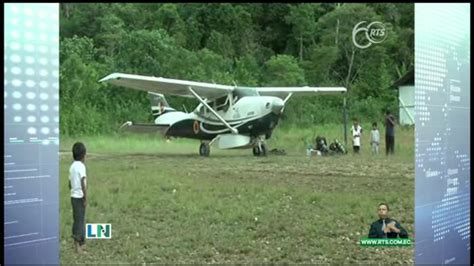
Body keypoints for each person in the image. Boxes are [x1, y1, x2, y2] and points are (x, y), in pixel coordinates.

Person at [69, 142, 88, 253]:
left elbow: (69, 183)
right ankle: (78, 247)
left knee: (78, 219)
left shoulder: (72, 167)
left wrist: (73, 190)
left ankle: (82, 243)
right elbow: (83, 182)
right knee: (79, 222)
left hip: (73, 197)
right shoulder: (81, 166)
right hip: (80, 197)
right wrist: (85, 197)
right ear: (83, 155)